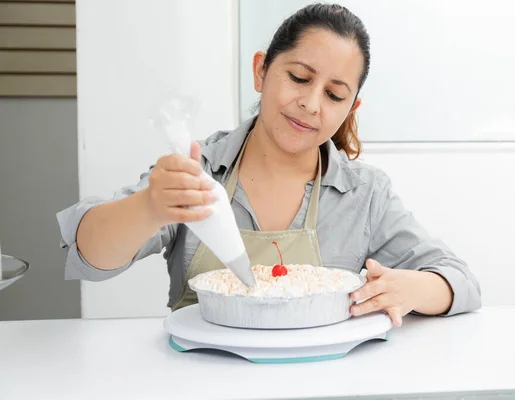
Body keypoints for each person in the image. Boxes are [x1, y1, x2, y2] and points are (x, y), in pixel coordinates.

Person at [57, 3, 481, 326]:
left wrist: (411, 288)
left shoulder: (364, 194)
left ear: (351, 108)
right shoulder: (199, 169)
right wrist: (150, 205)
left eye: (335, 95)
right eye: (299, 78)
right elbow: (89, 255)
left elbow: (460, 282)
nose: (310, 104)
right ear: (261, 71)